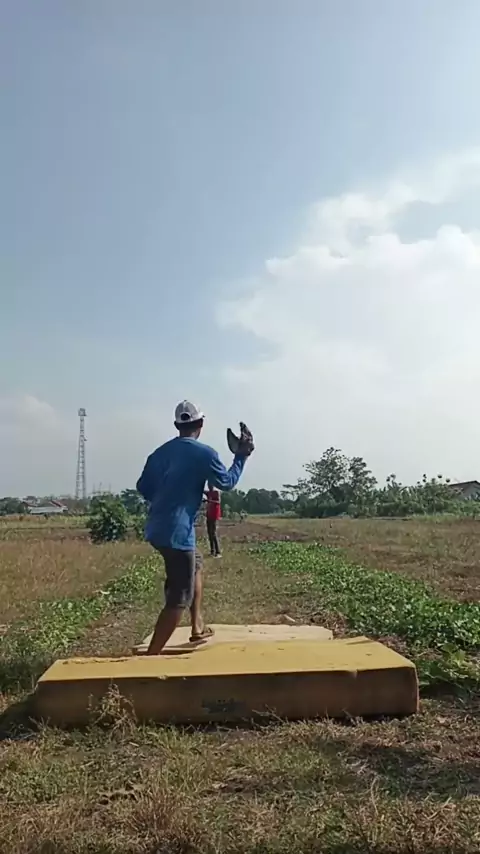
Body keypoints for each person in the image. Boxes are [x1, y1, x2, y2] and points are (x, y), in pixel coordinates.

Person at [136, 400, 253, 655]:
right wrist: (241, 456)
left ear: (177, 425)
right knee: (179, 597)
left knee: (196, 563)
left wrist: (169, 496)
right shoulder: (205, 454)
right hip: (176, 533)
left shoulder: (158, 454)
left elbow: (143, 488)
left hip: (157, 528)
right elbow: (227, 482)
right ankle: (151, 657)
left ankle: (197, 626)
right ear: (201, 424)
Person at [205, 485, 222, 557]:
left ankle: (218, 552)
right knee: (209, 533)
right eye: (208, 485)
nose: (209, 486)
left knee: (213, 533)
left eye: (211, 485)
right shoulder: (208, 493)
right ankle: (212, 551)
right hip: (209, 515)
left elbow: (218, 501)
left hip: (214, 515)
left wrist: (209, 501)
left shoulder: (216, 492)